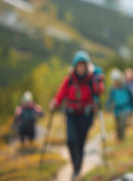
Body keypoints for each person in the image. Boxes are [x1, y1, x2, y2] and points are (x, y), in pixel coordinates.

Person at [50, 50, 103, 179]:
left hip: (86, 115)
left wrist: (99, 81)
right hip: (71, 114)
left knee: (80, 142)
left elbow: (99, 92)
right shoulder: (69, 80)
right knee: (71, 140)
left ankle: (78, 168)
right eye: (79, 65)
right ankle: (75, 167)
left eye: (83, 65)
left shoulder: (92, 79)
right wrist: (55, 102)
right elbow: (61, 93)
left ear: (86, 66)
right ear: (75, 66)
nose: (81, 68)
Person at [106, 68, 133, 141]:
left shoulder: (126, 87)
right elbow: (110, 99)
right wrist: (107, 107)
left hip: (126, 107)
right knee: (118, 124)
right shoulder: (112, 89)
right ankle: (119, 138)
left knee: (122, 122)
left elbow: (132, 97)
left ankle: (123, 137)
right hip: (117, 109)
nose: (115, 82)